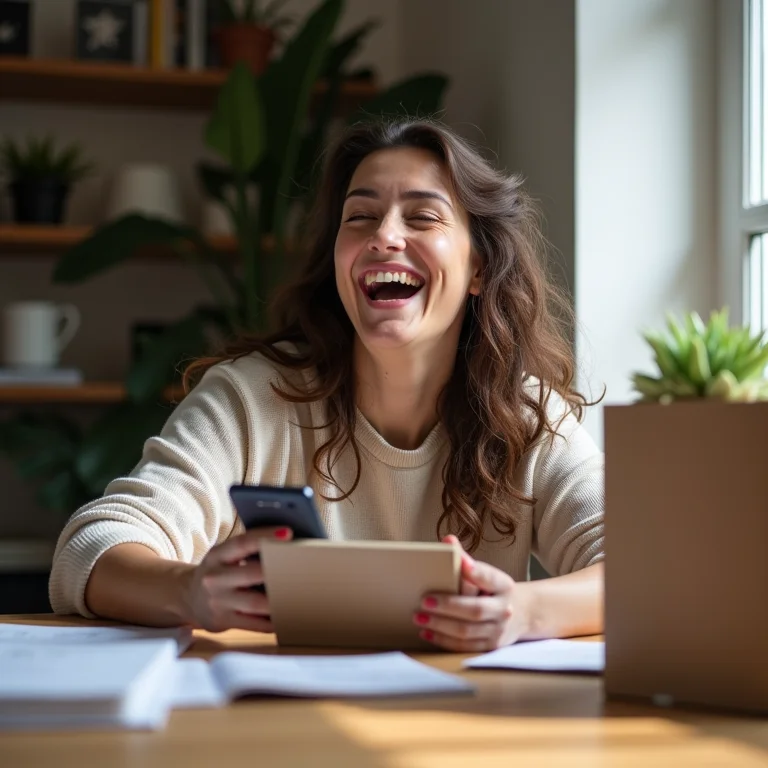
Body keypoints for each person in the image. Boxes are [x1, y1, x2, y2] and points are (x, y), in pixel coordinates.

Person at [49, 118, 604, 653]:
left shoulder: (526, 414)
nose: (384, 235)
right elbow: (88, 549)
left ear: (479, 268)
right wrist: (187, 590)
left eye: (422, 217)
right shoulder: (249, 399)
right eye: (359, 216)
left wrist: (523, 612)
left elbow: (644, 568)